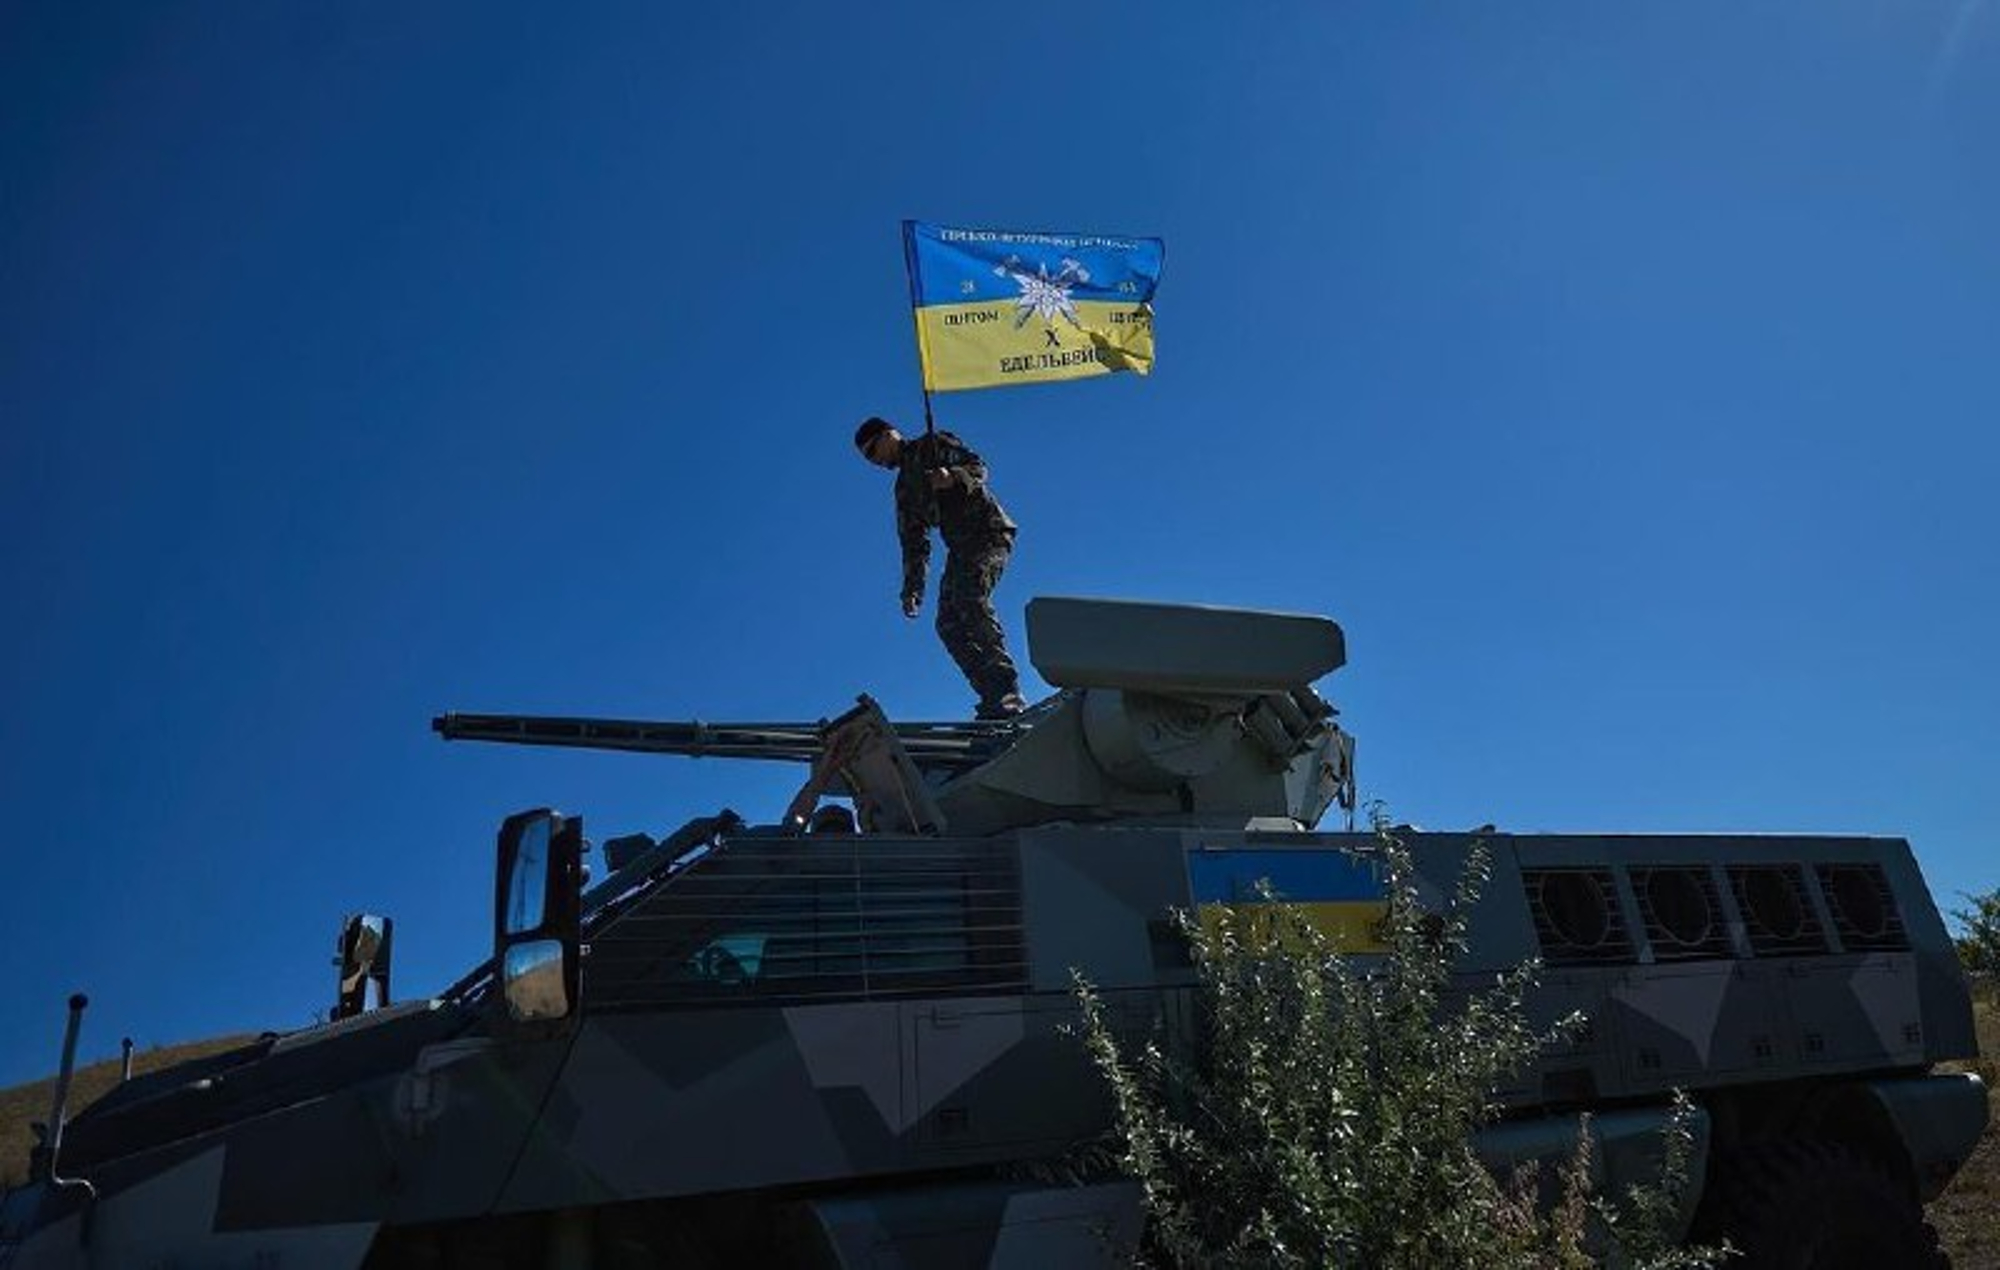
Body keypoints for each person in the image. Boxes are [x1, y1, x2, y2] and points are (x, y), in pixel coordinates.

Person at [853, 416, 1026, 719]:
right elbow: (914, 542)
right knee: (947, 624)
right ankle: (991, 695)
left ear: (889, 434)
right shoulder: (905, 491)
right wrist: (912, 590)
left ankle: (1007, 688)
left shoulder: (934, 444)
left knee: (969, 596)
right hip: (961, 549)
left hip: (989, 533)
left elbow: (979, 467)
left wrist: (954, 477)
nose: (874, 461)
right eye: (867, 459)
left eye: (872, 451)